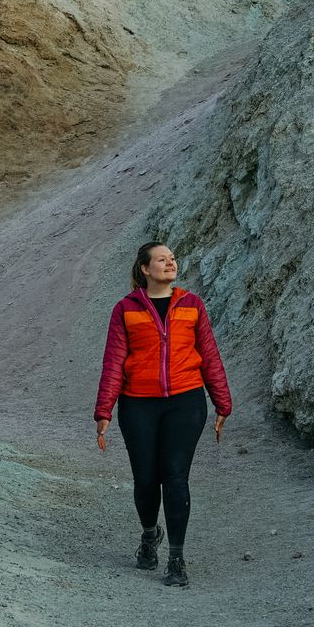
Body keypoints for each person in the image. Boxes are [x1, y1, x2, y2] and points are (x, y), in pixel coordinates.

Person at [93, 241, 231, 588]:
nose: (170, 263)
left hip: (185, 401)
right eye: (162, 259)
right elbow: (113, 362)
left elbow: (210, 356)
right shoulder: (125, 309)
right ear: (144, 268)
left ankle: (176, 558)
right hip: (138, 403)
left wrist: (222, 403)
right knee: (144, 479)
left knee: (175, 476)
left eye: (172, 258)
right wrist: (104, 410)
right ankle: (149, 533)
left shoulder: (192, 305)